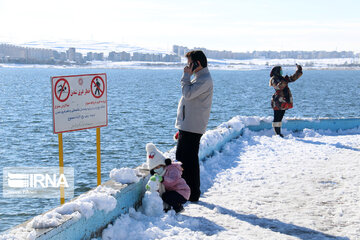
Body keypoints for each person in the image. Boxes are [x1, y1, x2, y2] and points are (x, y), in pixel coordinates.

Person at [175, 50, 213, 202]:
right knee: (186, 159)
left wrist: (185, 76)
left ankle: (190, 193)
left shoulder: (204, 79)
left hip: (192, 126)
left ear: (197, 63)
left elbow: (188, 94)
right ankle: (188, 192)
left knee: (186, 160)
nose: (187, 66)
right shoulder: (201, 77)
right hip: (189, 125)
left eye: (189, 63)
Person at [146, 143, 190, 213]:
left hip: (182, 192)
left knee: (166, 196)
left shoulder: (172, 169)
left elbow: (173, 180)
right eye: (154, 168)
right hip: (174, 192)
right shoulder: (161, 173)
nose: (156, 169)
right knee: (166, 196)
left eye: (158, 167)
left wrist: (163, 179)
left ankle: (178, 207)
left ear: (163, 164)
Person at [269, 64, 303, 137]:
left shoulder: (282, 78)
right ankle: (277, 133)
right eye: (280, 70)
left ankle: (278, 132)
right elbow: (279, 87)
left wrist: (299, 71)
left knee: (280, 116)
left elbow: (292, 78)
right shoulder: (273, 79)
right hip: (278, 101)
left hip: (283, 100)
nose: (282, 72)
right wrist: (284, 80)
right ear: (277, 71)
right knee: (277, 116)